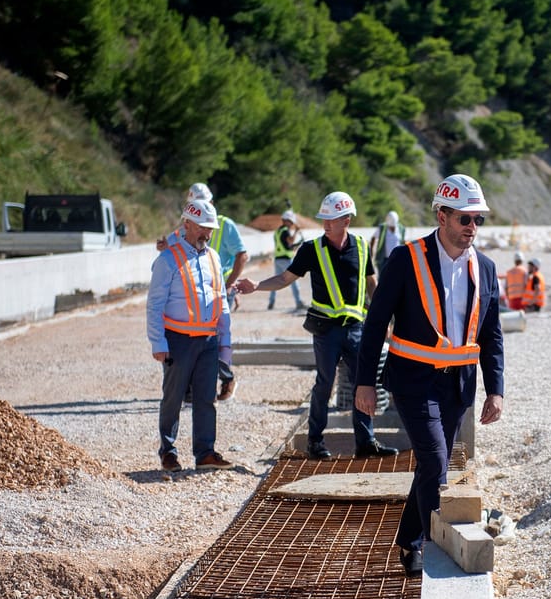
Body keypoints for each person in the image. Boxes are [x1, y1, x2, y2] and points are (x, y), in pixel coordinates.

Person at [355, 173, 505, 577]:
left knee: (428, 465)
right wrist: (364, 382)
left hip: (458, 385)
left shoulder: (486, 268)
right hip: (413, 380)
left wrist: (496, 390)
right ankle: (435, 549)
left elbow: (491, 334)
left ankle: (407, 540)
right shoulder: (405, 259)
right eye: (464, 219)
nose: (472, 228)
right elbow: (375, 323)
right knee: (437, 460)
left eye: (479, 220)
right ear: (442, 215)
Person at [234, 190, 398, 461]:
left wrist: (387, 318)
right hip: (327, 331)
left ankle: (366, 441)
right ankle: (315, 441)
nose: (325, 223)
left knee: (363, 383)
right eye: (324, 218)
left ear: (346, 220)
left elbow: (371, 285)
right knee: (325, 383)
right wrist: (257, 286)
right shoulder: (311, 249)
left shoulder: (360, 246)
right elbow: (286, 278)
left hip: (356, 328)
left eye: (331, 219)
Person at [146, 198, 235, 472]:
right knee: (173, 398)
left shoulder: (213, 257)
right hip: (178, 340)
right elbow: (155, 304)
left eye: (211, 229)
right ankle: (168, 452)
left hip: (208, 340)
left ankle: (205, 452)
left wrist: (225, 345)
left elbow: (221, 300)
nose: (208, 234)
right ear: (187, 224)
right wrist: (158, 342)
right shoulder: (167, 259)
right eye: (203, 228)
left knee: (206, 398)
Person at [158, 182, 248, 401]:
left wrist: (229, 285)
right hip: (193, 289)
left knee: (217, 340)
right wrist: (166, 243)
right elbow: (163, 245)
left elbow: (242, 255)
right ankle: (190, 390)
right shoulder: (186, 226)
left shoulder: (225, 225)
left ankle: (226, 378)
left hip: (217, 289)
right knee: (191, 338)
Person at [268, 209, 305, 312]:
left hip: (278, 259)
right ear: (286, 220)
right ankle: (298, 302)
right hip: (286, 260)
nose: (292, 224)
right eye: (291, 222)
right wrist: (297, 232)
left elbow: (286, 244)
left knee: (275, 281)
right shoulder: (285, 230)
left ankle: (271, 302)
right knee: (293, 281)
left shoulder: (278, 231)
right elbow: (290, 242)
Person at [371, 210, 406, 279]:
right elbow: (373, 238)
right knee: (383, 278)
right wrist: (372, 253)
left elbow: (403, 241)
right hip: (383, 259)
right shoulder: (382, 228)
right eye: (390, 227)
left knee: (396, 278)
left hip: (397, 258)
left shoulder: (401, 229)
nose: (392, 228)